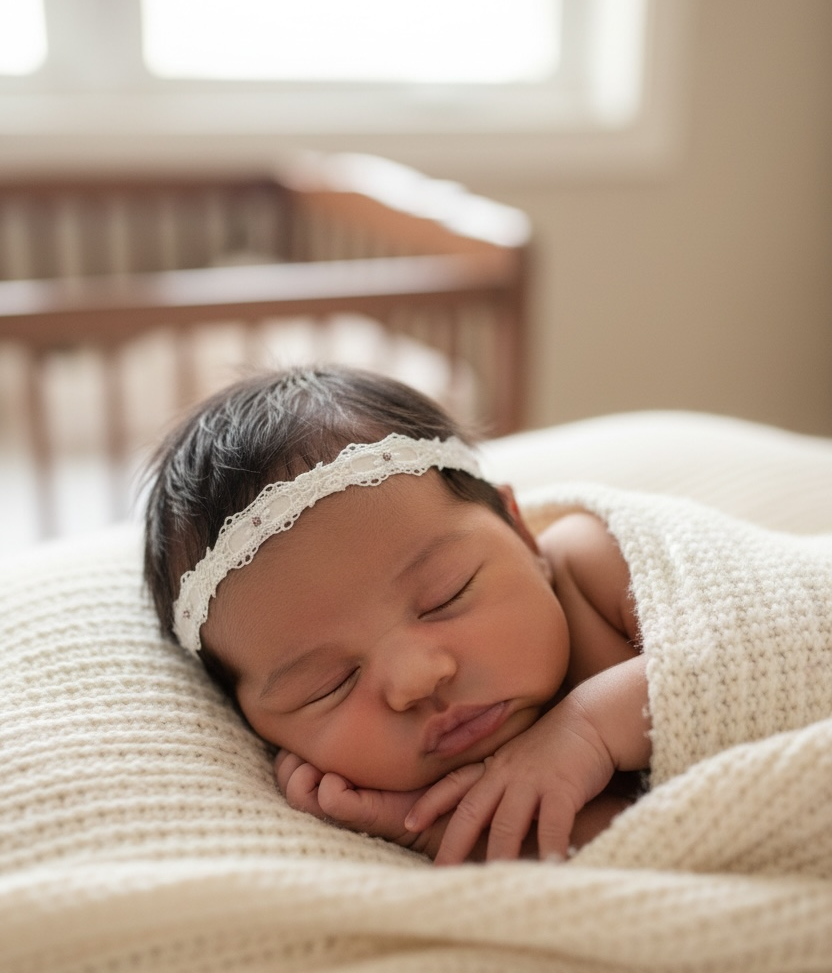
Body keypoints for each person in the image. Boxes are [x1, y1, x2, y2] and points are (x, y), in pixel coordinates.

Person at [144, 366, 651, 865]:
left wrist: (590, 728)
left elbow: (728, 655)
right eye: (330, 685)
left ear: (519, 531)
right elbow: (648, 852)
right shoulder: (413, 802)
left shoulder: (597, 564)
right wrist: (439, 832)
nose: (417, 680)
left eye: (445, 596)